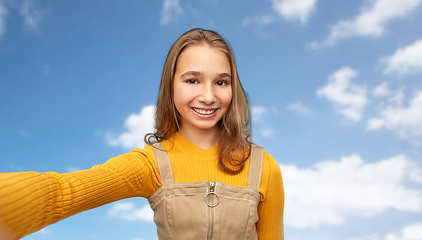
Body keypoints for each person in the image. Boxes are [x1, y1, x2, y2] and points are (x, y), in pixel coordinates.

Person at [0, 28, 284, 240]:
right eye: (192, 80)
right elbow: (63, 192)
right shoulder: (150, 164)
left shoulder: (263, 167)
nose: (208, 96)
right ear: (171, 86)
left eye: (221, 82)